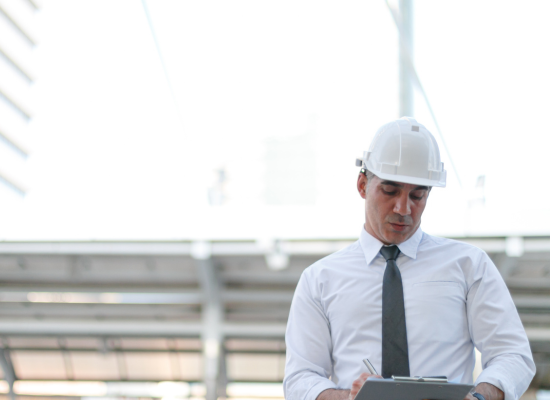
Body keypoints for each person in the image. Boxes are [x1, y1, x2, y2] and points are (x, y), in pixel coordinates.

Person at [283, 117, 535, 400]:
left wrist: (479, 398)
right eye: (390, 191)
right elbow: (300, 378)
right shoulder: (319, 280)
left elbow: (512, 354)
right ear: (363, 185)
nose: (404, 208)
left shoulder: (469, 265)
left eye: (418, 195)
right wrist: (349, 399)